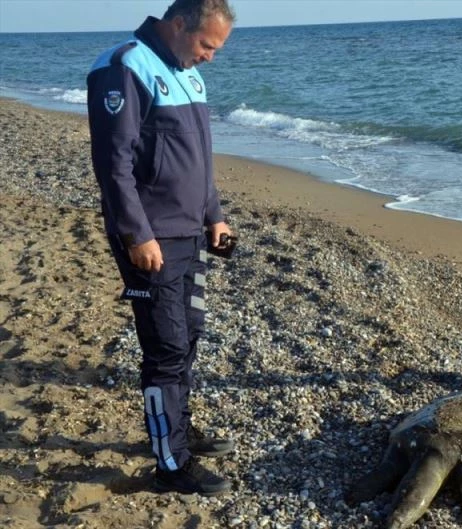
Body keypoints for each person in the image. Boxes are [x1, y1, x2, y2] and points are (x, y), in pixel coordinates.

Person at [86, 0, 236, 494]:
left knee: (188, 334)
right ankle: (171, 464)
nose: (211, 57)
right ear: (178, 25)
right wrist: (136, 234)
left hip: (190, 234)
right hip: (150, 239)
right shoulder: (125, 66)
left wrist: (214, 216)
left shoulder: (189, 75)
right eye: (206, 45)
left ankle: (178, 430)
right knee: (165, 348)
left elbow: (200, 161)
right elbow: (114, 165)